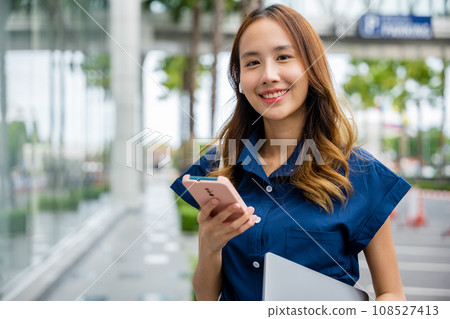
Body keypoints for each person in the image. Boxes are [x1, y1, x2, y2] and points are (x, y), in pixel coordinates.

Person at [170, 4, 410, 301]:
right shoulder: (218, 167)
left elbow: (392, 294)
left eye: (283, 57)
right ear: (240, 79)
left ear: (312, 67)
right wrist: (209, 245)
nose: (269, 75)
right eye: (252, 63)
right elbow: (206, 297)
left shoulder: (360, 174)